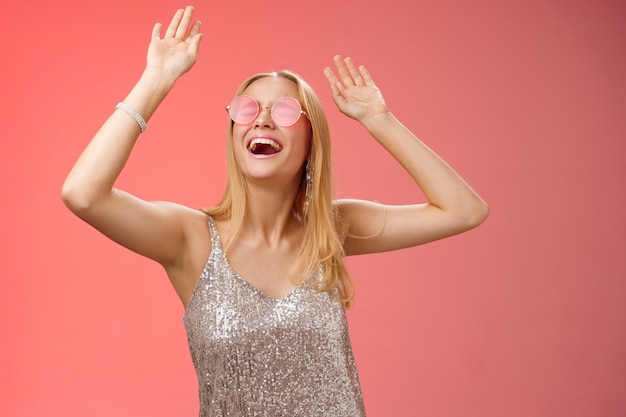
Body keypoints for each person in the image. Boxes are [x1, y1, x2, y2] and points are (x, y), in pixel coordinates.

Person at [61, 6, 488, 417]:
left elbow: (464, 210)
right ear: (234, 134)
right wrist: (155, 80)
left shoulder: (334, 229)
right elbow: (83, 193)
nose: (262, 119)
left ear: (311, 141)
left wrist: (379, 119)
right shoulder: (189, 238)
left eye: (284, 111)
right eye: (247, 109)